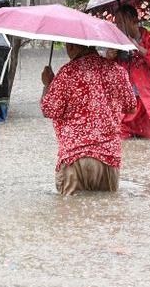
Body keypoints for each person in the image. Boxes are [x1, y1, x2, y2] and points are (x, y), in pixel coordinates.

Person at [40, 43, 137, 195]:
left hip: (74, 157)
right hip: (108, 158)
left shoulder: (67, 73)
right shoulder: (117, 71)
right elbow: (131, 106)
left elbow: (49, 109)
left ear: (72, 46)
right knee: (106, 214)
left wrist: (47, 85)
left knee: (71, 213)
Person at [112, 4, 150, 140]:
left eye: (121, 22)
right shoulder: (117, 44)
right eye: (117, 23)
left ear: (133, 20)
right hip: (127, 107)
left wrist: (140, 49)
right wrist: (110, 57)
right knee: (122, 143)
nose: (118, 27)